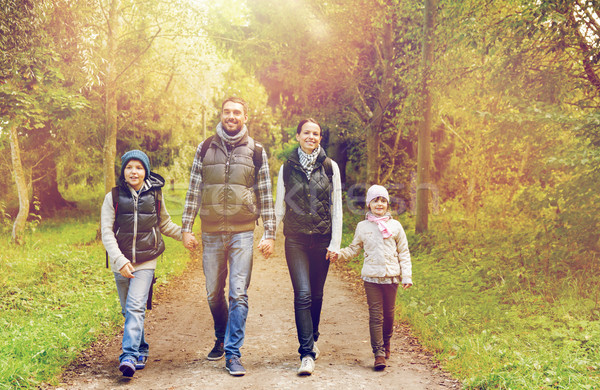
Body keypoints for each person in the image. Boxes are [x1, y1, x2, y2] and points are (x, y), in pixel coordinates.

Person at [181, 97, 275, 377]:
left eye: (237, 113)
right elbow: (193, 189)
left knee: (238, 293)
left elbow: (266, 193)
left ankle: (233, 353)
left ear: (245, 117)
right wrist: (186, 227)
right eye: (227, 112)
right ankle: (220, 336)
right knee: (213, 293)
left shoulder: (256, 151)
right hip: (210, 232)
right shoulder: (205, 147)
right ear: (221, 115)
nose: (231, 116)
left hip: (243, 232)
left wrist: (269, 232)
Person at [101, 150, 182, 377]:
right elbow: (107, 233)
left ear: (146, 171)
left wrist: (184, 235)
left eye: (138, 167)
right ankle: (142, 347)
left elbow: (164, 224)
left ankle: (128, 355)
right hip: (121, 260)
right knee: (129, 311)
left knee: (135, 306)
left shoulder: (155, 195)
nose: (133, 171)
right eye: (129, 167)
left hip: (147, 259)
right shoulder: (113, 197)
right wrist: (120, 260)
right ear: (123, 171)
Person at [274, 118, 343, 375]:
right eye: (306, 133)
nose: (311, 137)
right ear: (297, 136)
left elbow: (337, 208)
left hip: (322, 240)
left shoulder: (330, 166)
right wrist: (268, 234)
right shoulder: (286, 168)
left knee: (316, 295)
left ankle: (312, 335)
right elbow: (280, 206)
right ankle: (306, 353)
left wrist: (335, 243)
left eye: (316, 133)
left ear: (320, 138)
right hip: (296, 240)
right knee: (302, 294)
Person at [338, 185, 412, 371]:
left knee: (389, 315)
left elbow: (403, 252)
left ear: (387, 204)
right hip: (371, 278)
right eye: (375, 200)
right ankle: (378, 353)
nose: (379, 204)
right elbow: (354, 249)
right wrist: (339, 254)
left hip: (391, 278)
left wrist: (406, 276)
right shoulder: (363, 227)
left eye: (383, 200)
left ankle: (386, 342)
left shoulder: (395, 226)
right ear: (368, 204)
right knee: (376, 316)